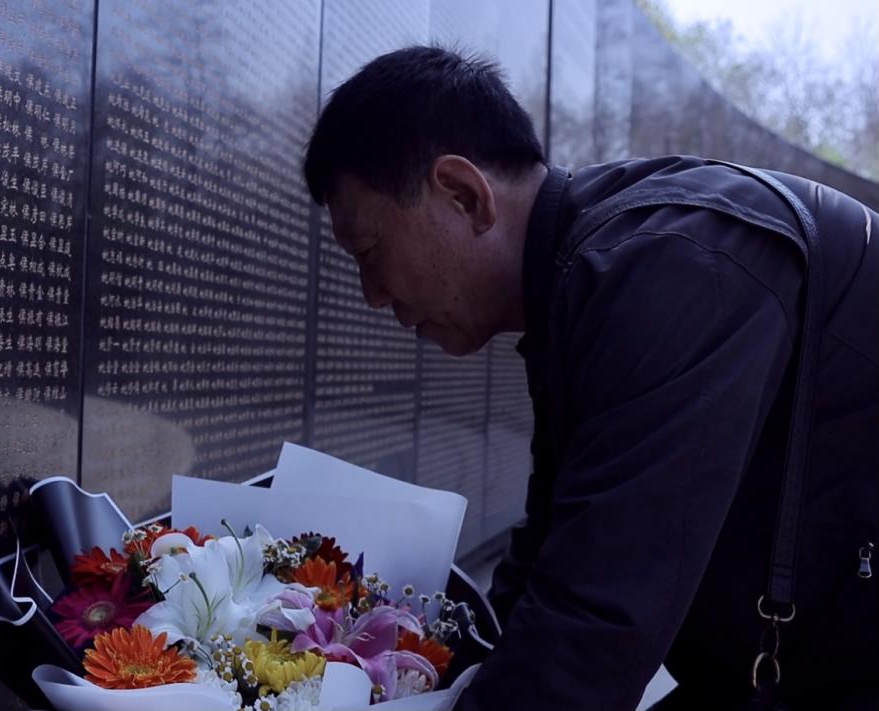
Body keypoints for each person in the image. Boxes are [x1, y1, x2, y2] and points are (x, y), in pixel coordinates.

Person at [302, 46, 877, 711]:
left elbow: (598, 621)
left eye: (369, 251)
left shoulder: (672, 267)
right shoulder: (585, 277)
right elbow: (560, 552)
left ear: (464, 194)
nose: (372, 293)